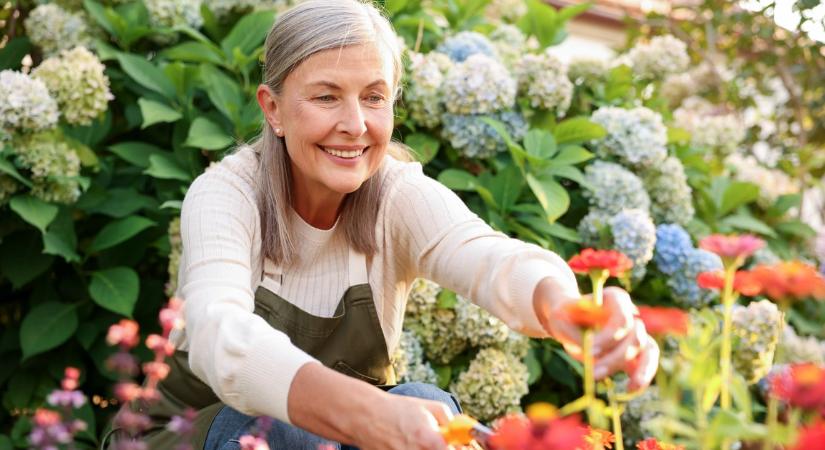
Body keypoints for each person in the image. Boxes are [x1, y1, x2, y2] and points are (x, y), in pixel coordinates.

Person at [110, 1, 659, 449]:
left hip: (334, 438)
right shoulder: (226, 194)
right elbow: (221, 337)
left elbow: (492, 258)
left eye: (374, 97)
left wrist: (569, 309)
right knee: (283, 431)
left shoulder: (395, 194)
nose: (355, 125)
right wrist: (368, 411)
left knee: (428, 405)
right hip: (188, 434)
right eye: (326, 97)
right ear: (273, 109)